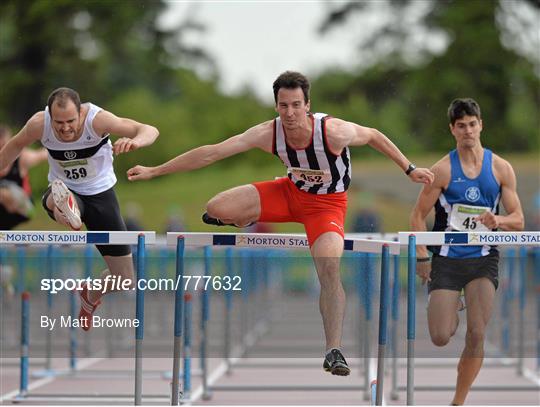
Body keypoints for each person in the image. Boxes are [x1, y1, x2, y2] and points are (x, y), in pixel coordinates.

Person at [128, 71, 433, 375]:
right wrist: (155, 171)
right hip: (287, 193)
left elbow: (375, 135)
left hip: (326, 207)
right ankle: (244, 216)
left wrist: (410, 169)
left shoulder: (333, 132)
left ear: (307, 105)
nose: (290, 113)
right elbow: (212, 153)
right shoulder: (268, 133)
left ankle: (333, 350)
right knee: (216, 207)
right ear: (276, 106)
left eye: (296, 105)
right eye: (284, 105)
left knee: (329, 266)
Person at [0, 87, 159, 330]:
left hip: (101, 196)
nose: (64, 128)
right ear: (50, 116)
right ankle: (68, 211)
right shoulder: (39, 123)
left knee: (125, 279)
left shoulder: (98, 120)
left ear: (81, 113)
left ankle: (90, 294)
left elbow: (150, 130)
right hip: (62, 190)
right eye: (58, 122)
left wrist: (135, 141)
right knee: (59, 195)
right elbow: (13, 147)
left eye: (70, 121)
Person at [409, 98, 524, 405]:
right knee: (440, 336)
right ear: (453, 130)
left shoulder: (500, 168)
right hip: (447, 260)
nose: (468, 131)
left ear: (481, 125)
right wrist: (422, 256)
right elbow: (417, 215)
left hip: (483, 260)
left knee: (477, 334)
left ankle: (458, 401)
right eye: (461, 126)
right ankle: (451, 306)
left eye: (472, 124)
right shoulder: (442, 170)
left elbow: (519, 219)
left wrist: (497, 219)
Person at [0, 124, 48, 229]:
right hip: (3, 213)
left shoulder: (23, 158)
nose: (2, 153)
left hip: (24, 208)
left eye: (4, 147)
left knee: (3, 192)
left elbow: (45, 153)